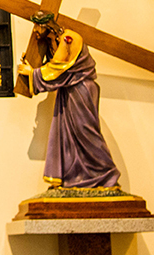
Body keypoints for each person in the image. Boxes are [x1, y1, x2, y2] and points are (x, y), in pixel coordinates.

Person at [16, 12, 121, 189]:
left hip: (81, 90)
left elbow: (58, 68)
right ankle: (75, 177)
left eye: (38, 26)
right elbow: (57, 67)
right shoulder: (55, 42)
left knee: (85, 131)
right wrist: (35, 67)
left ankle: (106, 174)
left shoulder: (69, 39)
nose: (35, 31)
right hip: (69, 91)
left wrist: (32, 73)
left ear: (47, 26)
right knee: (68, 135)